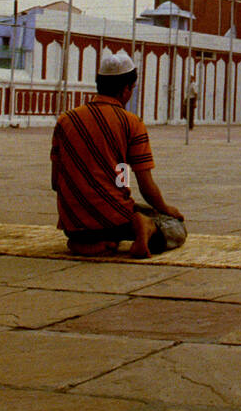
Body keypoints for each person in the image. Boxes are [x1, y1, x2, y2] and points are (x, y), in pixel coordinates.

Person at [51, 49, 184, 258]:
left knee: (84, 230)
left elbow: (55, 181)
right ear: (126, 90)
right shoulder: (131, 122)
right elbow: (145, 186)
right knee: (175, 228)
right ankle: (145, 227)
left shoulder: (66, 120)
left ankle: (87, 244)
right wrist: (166, 208)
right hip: (115, 221)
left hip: (74, 223)